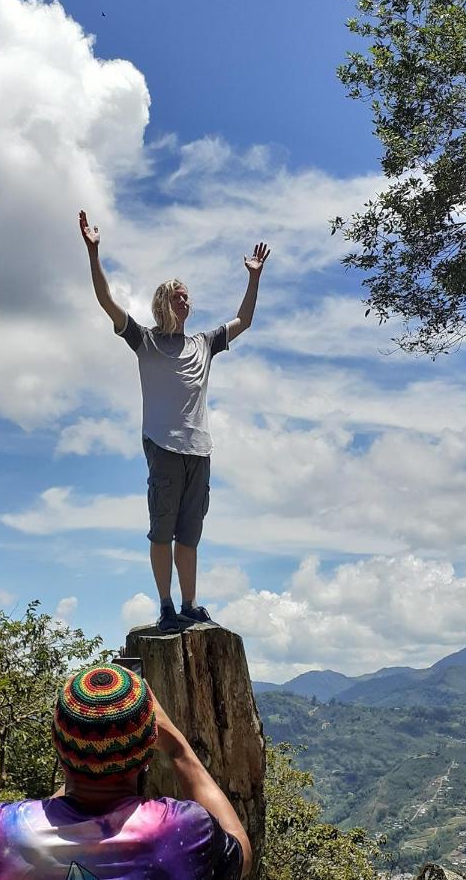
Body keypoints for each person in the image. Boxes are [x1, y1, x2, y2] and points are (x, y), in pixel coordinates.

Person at [79, 210, 270, 632]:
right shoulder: (145, 341)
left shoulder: (204, 343)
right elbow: (107, 302)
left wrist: (253, 277)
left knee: (190, 534)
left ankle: (189, 603)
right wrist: (94, 252)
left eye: (188, 297)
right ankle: (166, 604)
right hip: (163, 446)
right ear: (165, 302)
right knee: (160, 532)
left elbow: (246, 321)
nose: (188, 301)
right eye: (180, 296)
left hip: (199, 449)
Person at [0, 663, 252, 878]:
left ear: (57, 746)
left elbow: (54, 806)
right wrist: (178, 749)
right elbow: (241, 854)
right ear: (148, 752)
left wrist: (80, 756)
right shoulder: (182, 830)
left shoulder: (2, 832)